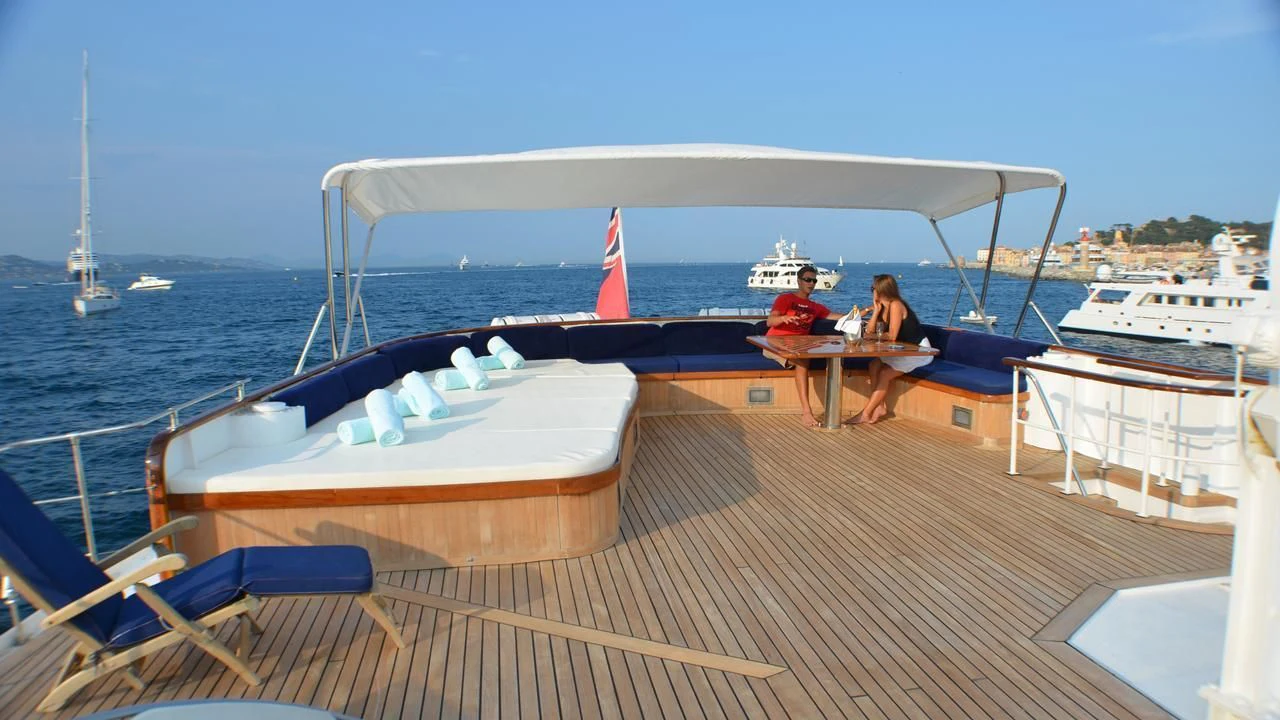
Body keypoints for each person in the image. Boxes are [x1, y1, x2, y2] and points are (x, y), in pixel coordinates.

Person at [765, 265, 857, 427]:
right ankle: (807, 412)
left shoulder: (816, 307)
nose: (811, 283)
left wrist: (866, 313)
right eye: (807, 280)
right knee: (802, 361)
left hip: (799, 345)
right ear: (799, 281)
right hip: (775, 343)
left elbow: (841, 317)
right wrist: (784, 318)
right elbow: (770, 321)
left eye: (814, 280)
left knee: (813, 357)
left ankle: (831, 411)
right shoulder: (785, 299)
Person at [846, 274, 933, 425]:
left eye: (872, 288)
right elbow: (869, 332)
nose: (871, 291)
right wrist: (875, 311)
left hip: (919, 351)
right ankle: (879, 407)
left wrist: (873, 337)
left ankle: (865, 413)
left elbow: (891, 336)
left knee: (885, 373)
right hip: (902, 349)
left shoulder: (895, 305)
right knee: (874, 365)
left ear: (880, 289)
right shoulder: (882, 308)